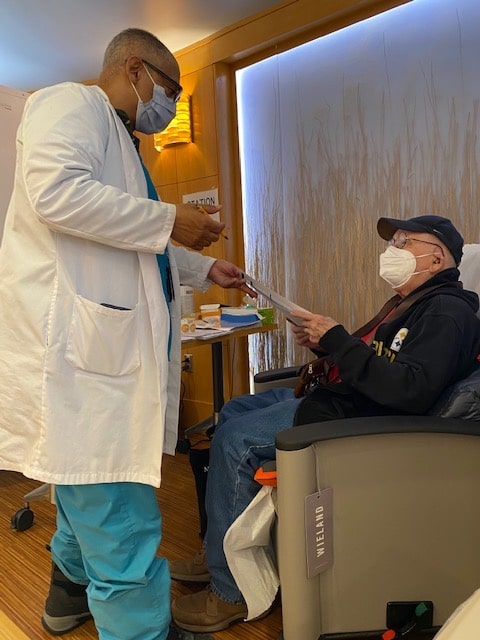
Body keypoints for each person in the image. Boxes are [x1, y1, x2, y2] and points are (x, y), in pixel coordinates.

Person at [0, 28, 255, 640]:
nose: (166, 108)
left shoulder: (122, 141)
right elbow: (58, 196)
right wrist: (172, 217)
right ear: (135, 69)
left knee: (85, 496)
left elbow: (138, 250)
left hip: (100, 358)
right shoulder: (67, 103)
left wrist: (202, 266)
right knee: (122, 520)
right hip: (83, 363)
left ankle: (66, 597)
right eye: (167, 91)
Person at [170, 214, 480, 634]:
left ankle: (230, 594)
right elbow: (377, 363)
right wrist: (326, 344)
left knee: (234, 439)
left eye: (405, 242)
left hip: (357, 421)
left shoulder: (448, 312)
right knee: (235, 410)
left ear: (436, 257)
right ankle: (216, 553)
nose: (393, 250)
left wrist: (337, 340)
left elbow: (410, 390)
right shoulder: (412, 304)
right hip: (345, 400)